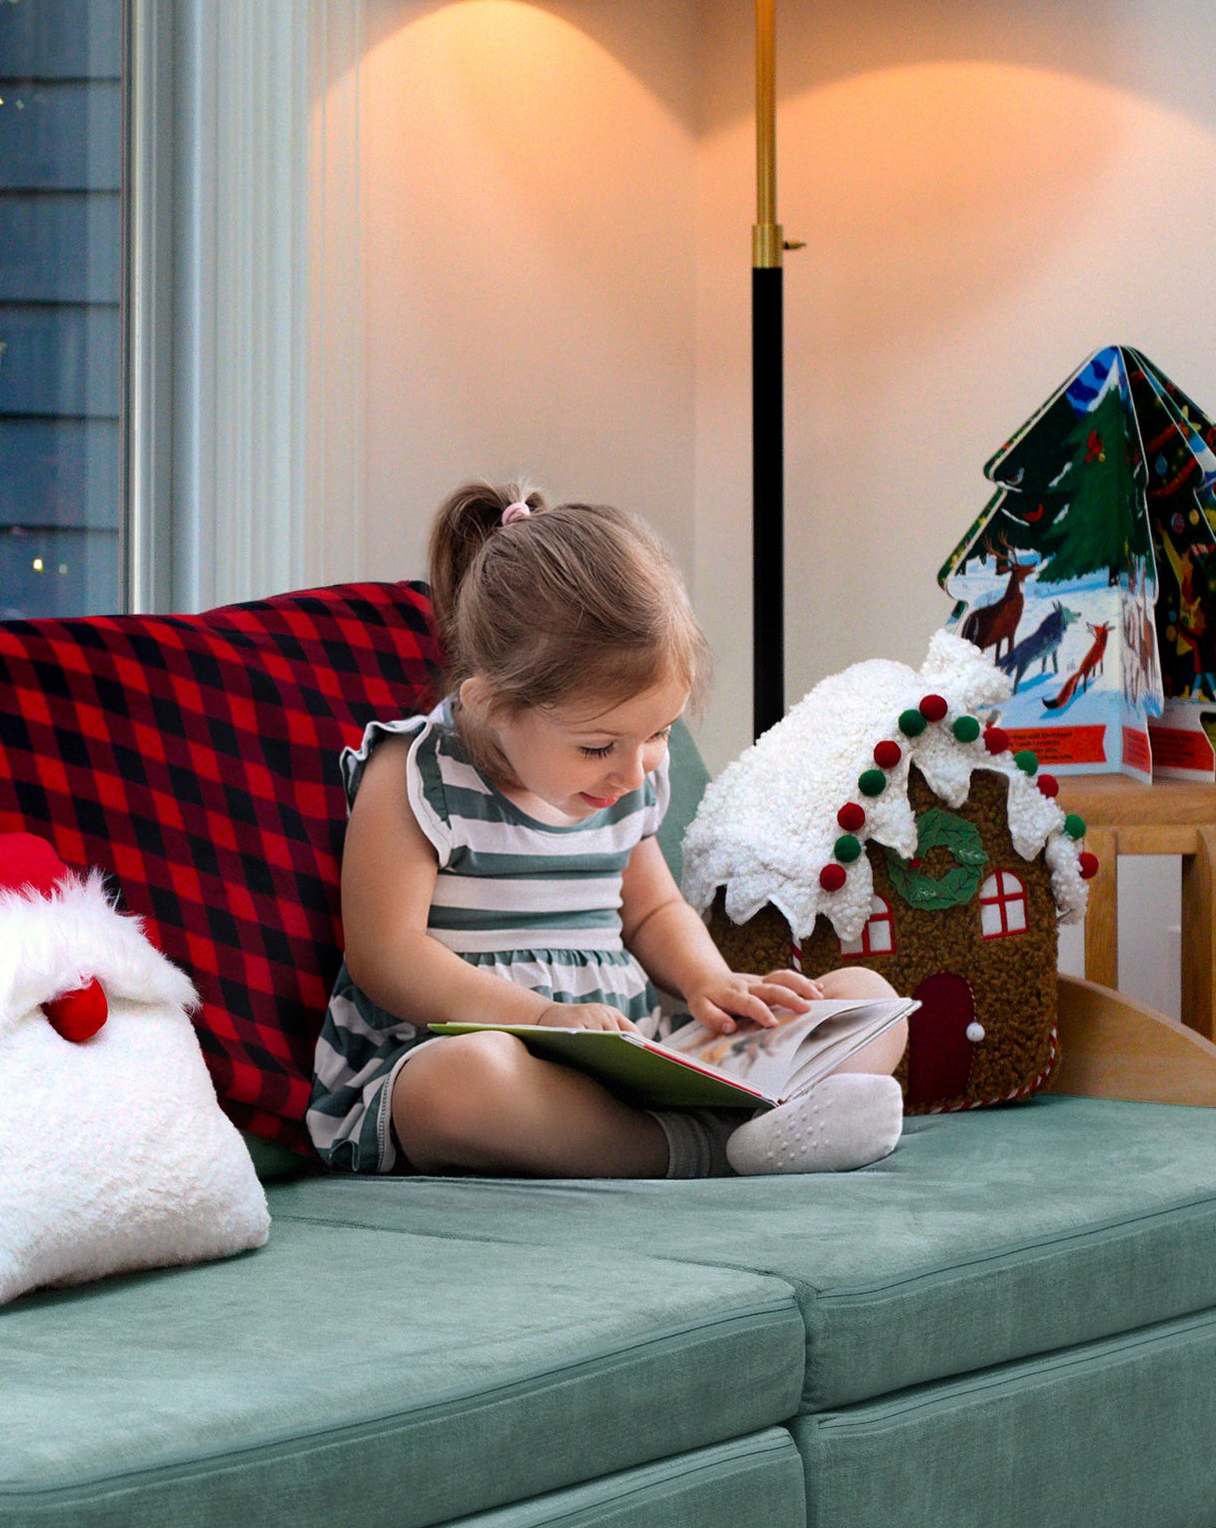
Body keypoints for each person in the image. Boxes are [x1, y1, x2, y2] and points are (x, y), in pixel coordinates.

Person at [309, 484, 912, 1179]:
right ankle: (703, 1149)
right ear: (493, 703)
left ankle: (745, 1116)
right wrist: (539, 1015)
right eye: (599, 746)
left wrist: (708, 980)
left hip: (632, 1052)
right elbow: (387, 956)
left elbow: (653, 910)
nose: (634, 770)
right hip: (485, 1053)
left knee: (870, 1000)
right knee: (462, 1081)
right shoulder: (416, 772)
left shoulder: (627, 781)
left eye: (659, 732)